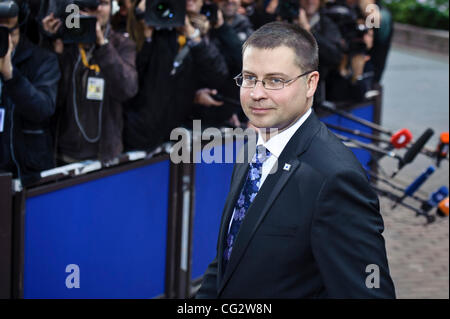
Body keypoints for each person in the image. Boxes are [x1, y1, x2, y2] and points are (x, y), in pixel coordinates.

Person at [196, 21, 395, 298]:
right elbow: (230, 260)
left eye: (275, 80)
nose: (257, 93)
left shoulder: (336, 178)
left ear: (310, 83)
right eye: (249, 78)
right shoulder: (252, 151)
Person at [42, 0, 138, 164]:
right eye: (91, 3)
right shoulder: (66, 42)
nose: (97, 8)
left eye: (103, 3)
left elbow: (128, 89)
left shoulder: (121, 44)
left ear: (112, 8)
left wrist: (102, 45)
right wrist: (51, 41)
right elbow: (51, 99)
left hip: (103, 155)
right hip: (63, 154)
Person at [0, 0, 60, 186]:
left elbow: (43, 108)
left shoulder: (43, 61)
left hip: (29, 173)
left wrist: (10, 75)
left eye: (8, 32)